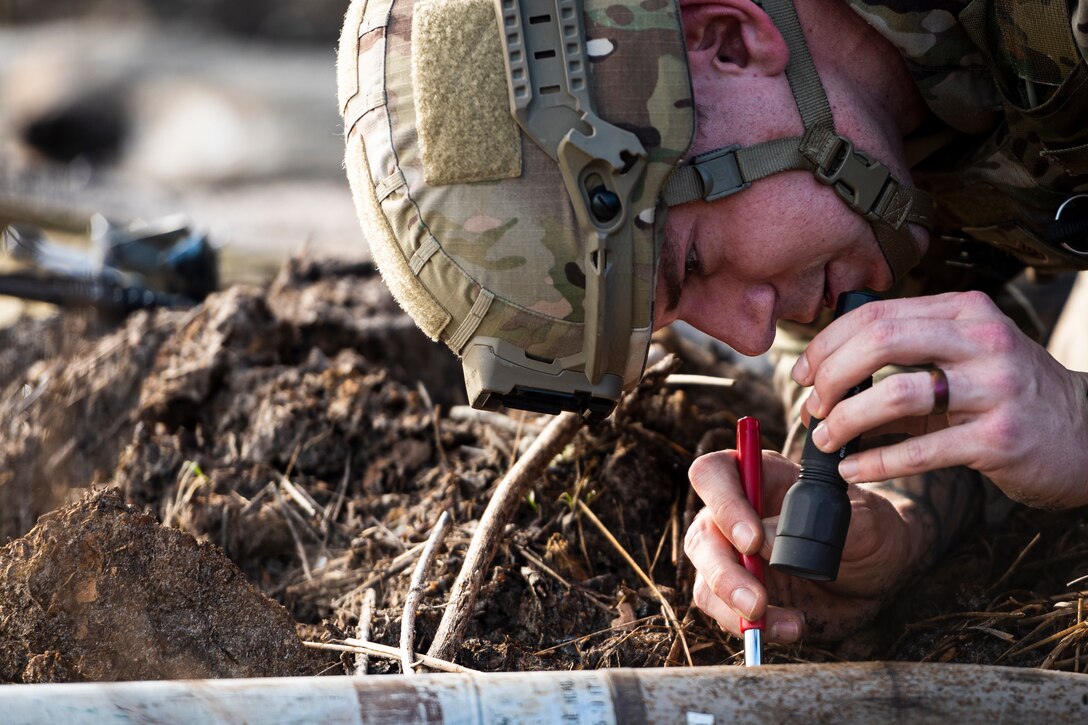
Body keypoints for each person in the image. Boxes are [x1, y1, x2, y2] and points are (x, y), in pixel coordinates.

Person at [337, 0, 1088, 645]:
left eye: (693, 262)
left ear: (729, 40)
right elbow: (932, 391)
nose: (753, 336)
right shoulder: (839, 157)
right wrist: (886, 526)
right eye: (682, 317)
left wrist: (1077, 422)